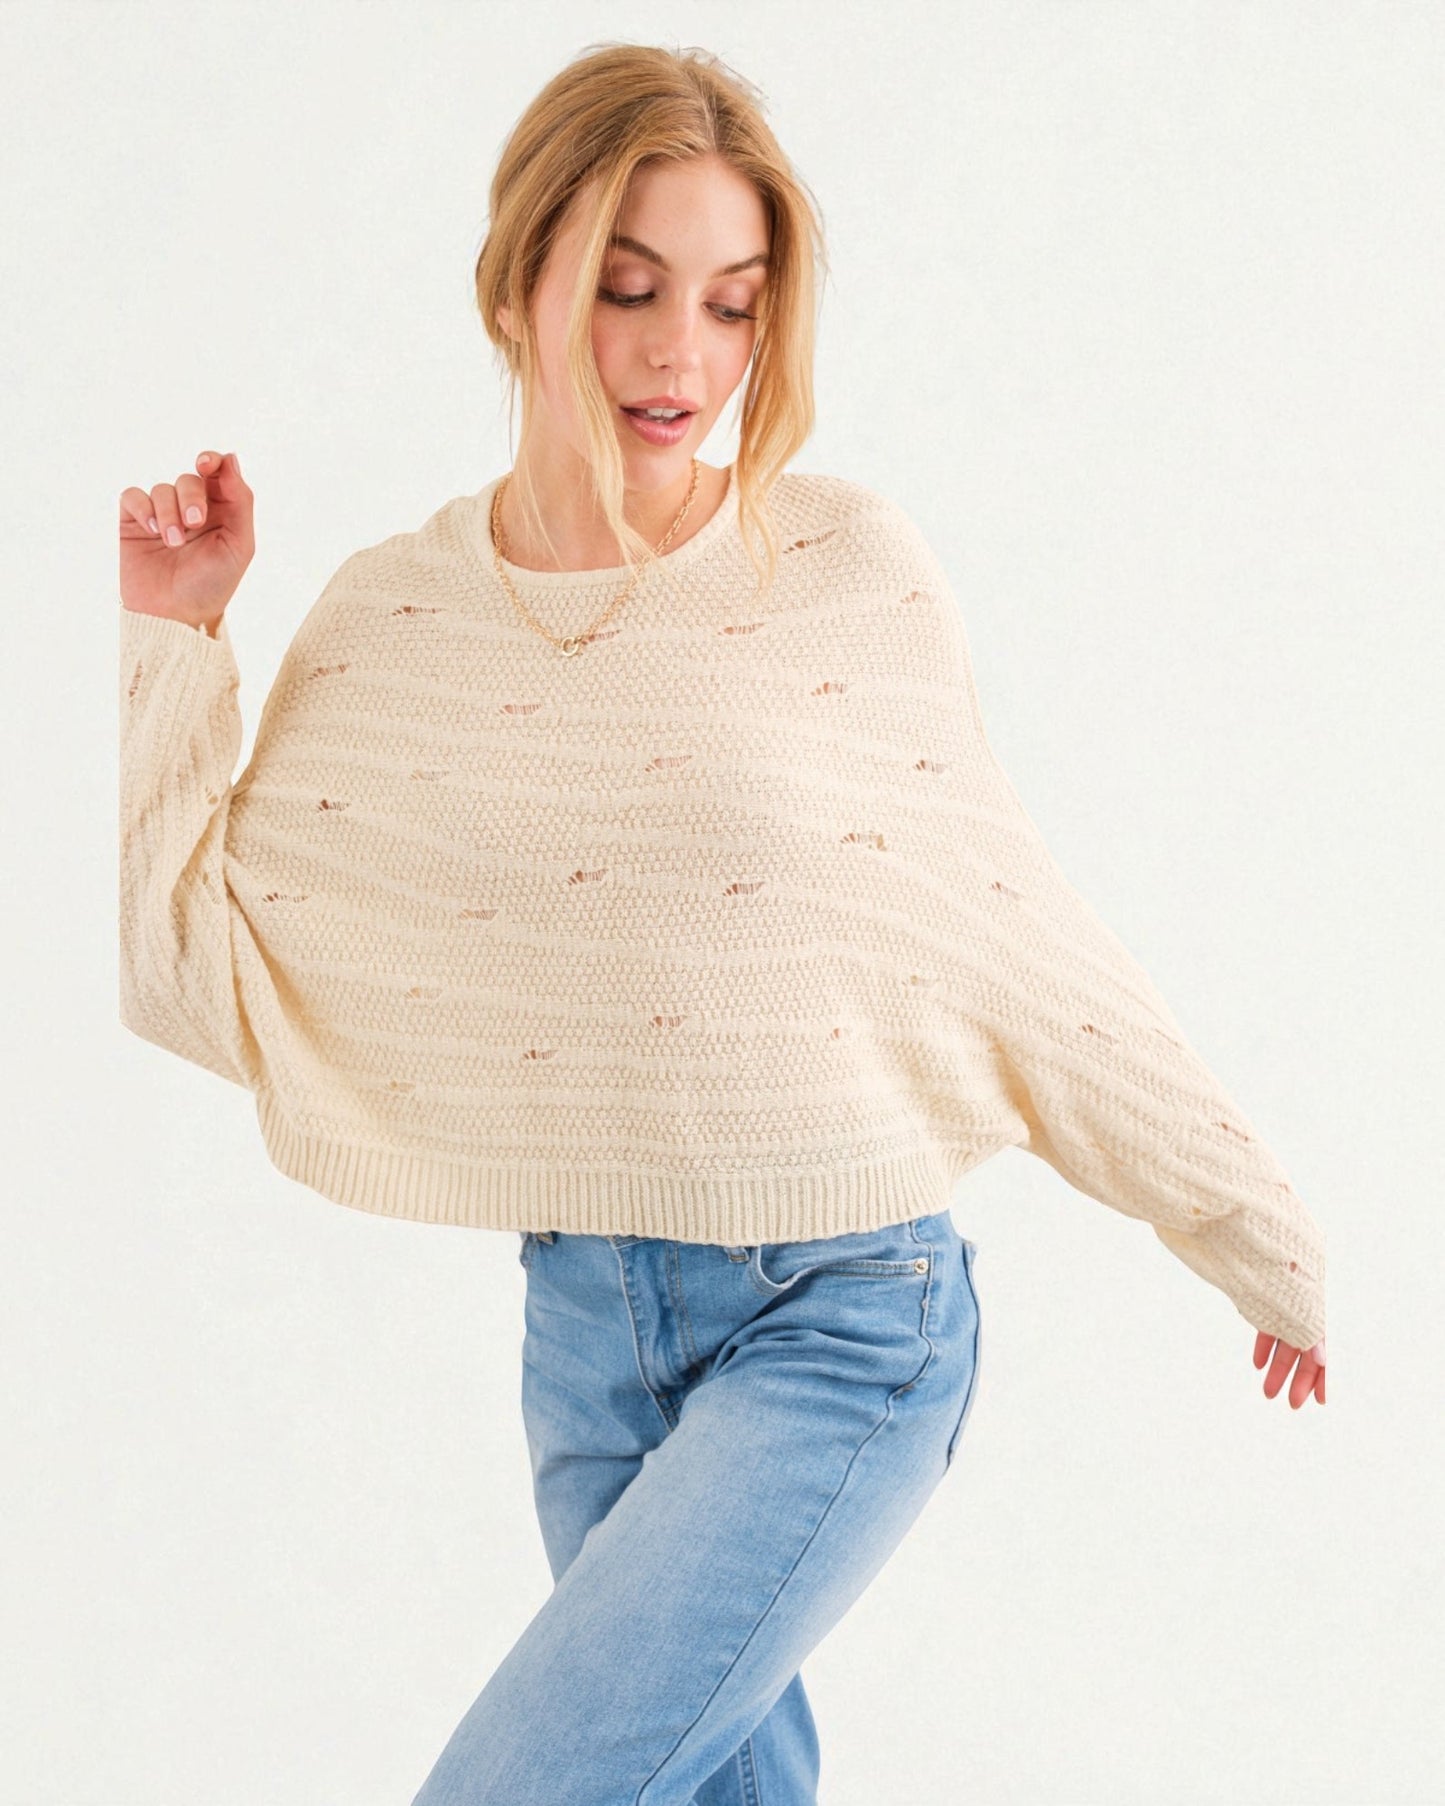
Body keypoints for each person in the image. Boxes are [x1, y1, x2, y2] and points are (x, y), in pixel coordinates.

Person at [116, 41, 1327, 1806]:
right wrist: (176, 638)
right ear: (515, 279)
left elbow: (1014, 931)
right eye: (626, 288)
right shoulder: (392, 620)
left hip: (847, 1316)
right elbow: (183, 968)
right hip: (584, 1330)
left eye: (731, 304)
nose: (681, 353)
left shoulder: (840, 567)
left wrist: (1252, 1217)